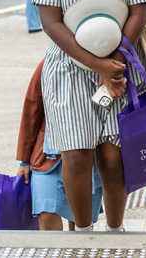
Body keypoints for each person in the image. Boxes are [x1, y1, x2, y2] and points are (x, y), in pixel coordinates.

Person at [32, 0, 146, 232]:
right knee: (75, 155)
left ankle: (115, 232)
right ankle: (84, 237)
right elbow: (50, 21)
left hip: (119, 66)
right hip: (68, 69)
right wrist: (96, 64)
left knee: (113, 157)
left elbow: (139, 10)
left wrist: (113, 62)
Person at [16, 59, 104, 231]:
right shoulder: (48, 63)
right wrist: (24, 160)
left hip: (88, 156)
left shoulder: (102, 62)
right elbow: (32, 109)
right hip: (47, 156)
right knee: (46, 214)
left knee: (79, 224)